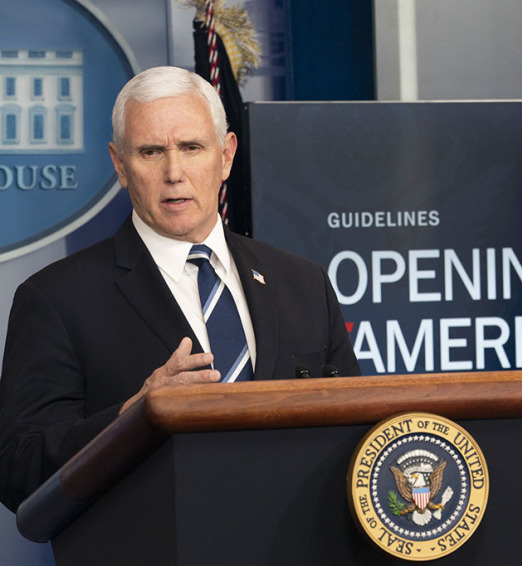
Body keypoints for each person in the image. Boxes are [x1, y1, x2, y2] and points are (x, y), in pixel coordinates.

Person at [0, 66, 360, 512]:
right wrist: (133, 416)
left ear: (226, 155)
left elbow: (353, 433)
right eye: (151, 152)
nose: (174, 172)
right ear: (120, 165)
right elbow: (20, 471)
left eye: (191, 147)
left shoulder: (303, 283)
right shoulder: (56, 299)